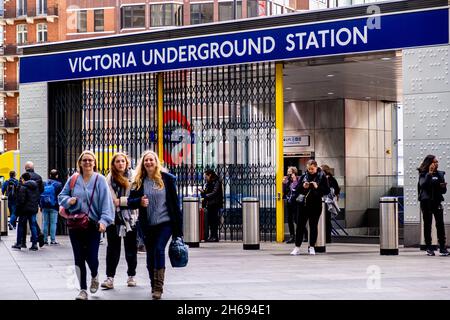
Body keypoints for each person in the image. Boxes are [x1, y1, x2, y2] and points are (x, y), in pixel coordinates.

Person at [58, 150, 115, 300]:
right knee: (78, 257)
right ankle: (82, 289)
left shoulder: (100, 180)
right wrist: (68, 201)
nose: (87, 162)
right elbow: (61, 196)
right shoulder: (73, 179)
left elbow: (107, 203)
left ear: (94, 163)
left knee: (92, 256)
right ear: (80, 163)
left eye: (90, 160)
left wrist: (104, 221)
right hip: (75, 224)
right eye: (84, 160)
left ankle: (94, 275)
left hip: (92, 225)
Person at [128, 150, 183, 299]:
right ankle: (153, 285)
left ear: (156, 162)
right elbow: (129, 202)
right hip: (147, 225)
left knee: (159, 250)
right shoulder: (139, 181)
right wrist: (139, 201)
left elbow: (175, 205)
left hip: (165, 224)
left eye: (151, 160)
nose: (149, 162)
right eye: (146, 160)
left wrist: (179, 231)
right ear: (142, 163)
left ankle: (158, 288)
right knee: (150, 255)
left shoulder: (167, 179)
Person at [101, 152, 138, 290]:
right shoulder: (108, 179)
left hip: (131, 218)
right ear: (113, 164)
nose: (120, 163)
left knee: (131, 248)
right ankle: (110, 278)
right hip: (113, 218)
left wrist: (120, 201)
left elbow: (137, 198)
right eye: (118, 161)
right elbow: (105, 199)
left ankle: (131, 275)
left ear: (127, 163)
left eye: (123, 161)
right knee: (112, 249)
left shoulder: (134, 178)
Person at [290, 160, 330, 256]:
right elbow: (297, 190)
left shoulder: (322, 176)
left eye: (312, 169)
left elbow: (327, 191)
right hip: (303, 205)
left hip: (315, 205)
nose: (310, 170)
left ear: (316, 167)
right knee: (300, 226)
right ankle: (297, 247)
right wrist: (303, 186)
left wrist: (317, 187)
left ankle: (312, 247)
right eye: (308, 169)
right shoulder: (304, 176)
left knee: (313, 226)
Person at [417, 155, 449, 256]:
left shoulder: (440, 174)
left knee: (440, 224)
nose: (436, 164)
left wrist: (443, 186)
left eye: (437, 162)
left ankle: (443, 247)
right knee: (428, 224)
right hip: (426, 202)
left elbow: (443, 191)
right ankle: (429, 247)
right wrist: (429, 174)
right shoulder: (423, 174)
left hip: (437, 201)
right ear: (429, 163)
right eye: (434, 162)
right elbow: (424, 185)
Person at [11, 173, 41, 251]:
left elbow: (21, 201)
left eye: (22, 179)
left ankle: (19, 243)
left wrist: (17, 211)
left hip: (24, 210)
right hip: (33, 209)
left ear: (24, 179)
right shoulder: (35, 187)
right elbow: (38, 197)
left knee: (20, 226)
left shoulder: (23, 187)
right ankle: (34, 244)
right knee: (33, 226)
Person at [22, 161, 45, 248]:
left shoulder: (24, 176)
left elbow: (21, 189)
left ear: (25, 168)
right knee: (33, 221)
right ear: (33, 168)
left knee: (23, 222)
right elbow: (42, 189)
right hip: (35, 202)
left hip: (25, 203)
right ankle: (36, 238)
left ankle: (23, 242)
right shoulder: (38, 177)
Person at [199, 169, 224, 242]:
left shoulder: (216, 181)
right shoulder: (209, 182)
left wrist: (206, 195)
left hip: (214, 204)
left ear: (209, 175)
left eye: (206, 175)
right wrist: (203, 192)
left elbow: (215, 192)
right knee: (210, 221)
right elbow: (209, 191)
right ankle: (211, 236)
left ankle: (215, 236)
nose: (205, 177)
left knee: (214, 221)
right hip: (210, 203)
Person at [41, 169, 63, 245]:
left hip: (44, 205)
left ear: (50, 175)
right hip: (54, 206)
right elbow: (60, 196)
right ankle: (53, 240)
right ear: (56, 175)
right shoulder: (58, 184)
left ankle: (45, 240)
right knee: (53, 223)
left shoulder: (44, 183)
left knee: (45, 223)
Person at [321, 165, 341, 244]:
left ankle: (327, 237)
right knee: (327, 220)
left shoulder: (328, 179)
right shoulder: (332, 179)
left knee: (326, 220)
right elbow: (336, 191)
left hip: (326, 202)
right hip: (328, 202)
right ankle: (327, 237)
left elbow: (331, 190)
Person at [282, 167, 300, 244]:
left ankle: (304, 234)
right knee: (289, 219)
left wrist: (295, 179)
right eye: (287, 171)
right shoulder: (288, 180)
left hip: (296, 202)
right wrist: (283, 183)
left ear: (294, 172)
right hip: (289, 201)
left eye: (290, 172)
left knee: (296, 219)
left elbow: (297, 189)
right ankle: (292, 236)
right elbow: (284, 191)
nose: (288, 173)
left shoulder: (298, 179)